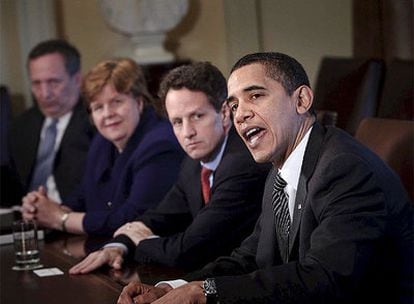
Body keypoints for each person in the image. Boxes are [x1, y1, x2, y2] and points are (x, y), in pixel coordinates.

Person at [116, 52, 414, 304]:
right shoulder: (279, 170)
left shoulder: (343, 167)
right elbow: (252, 256)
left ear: (301, 100)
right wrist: (176, 287)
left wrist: (206, 292)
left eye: (255, 96)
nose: (241, 114)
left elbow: (326, 276)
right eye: (234, 105)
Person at [69, 62, 271, 272]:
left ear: (224, 113)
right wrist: (119, 245)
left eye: (197, 116)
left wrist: (141, 242)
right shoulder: (193, 162)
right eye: (177, 122)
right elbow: (160, 216)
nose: (187, 132)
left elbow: (187, 251)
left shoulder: (241, 164)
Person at [21, 58, 184, 236]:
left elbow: (132, 220)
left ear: (139, 102)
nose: (108, 114)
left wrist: (61, 219)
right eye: (98, 107)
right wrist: (44, 209)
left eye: (116, 102)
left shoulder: (160, 144)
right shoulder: (102, 141)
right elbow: (83, 195)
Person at [9, 39, 95, 203]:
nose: (44, 93)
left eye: (53, 82)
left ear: (77, 80)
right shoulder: (21, 125)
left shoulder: (97, 123)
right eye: (36, 83)